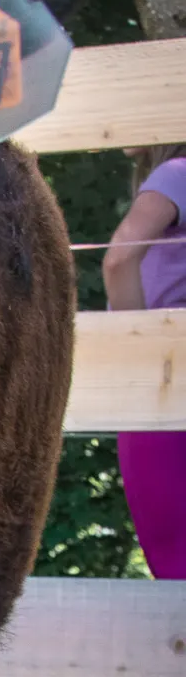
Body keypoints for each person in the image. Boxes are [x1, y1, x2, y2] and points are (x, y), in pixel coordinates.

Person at [103, 147, 186, 578]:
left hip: (157, 391)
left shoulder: (176, 173)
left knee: (176, 568)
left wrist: (133, 344)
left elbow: (119, 258)